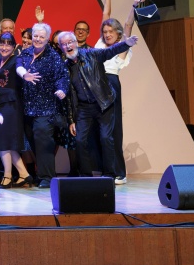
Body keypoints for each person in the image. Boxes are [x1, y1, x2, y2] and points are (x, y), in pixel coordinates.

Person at [58, 30, 139, 183]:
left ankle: (109, 175)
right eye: (64, 44)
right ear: (61, 47)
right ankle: (86, 177)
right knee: (80, 141)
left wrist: (126, 44)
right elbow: (69, 97)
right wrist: (71, 120)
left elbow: (110, 51)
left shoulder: (91, 54)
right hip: (83, 108)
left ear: (76, 43)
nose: (68, 46)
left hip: (103, 104)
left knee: (106, 138)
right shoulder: (65, 67)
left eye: (70, 42)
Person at [98, 0, 147, 184]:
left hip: (110, 84)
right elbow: (105, 15)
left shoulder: (123, 45)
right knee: (100, 133)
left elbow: (128, 24)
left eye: (111, 32)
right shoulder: (101, 43)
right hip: (95, 85)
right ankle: (105, 170)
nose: (107, 34)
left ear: (118, 34)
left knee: (112, 132)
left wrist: (134, 6)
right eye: (105, 31)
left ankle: (119, 172)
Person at [16, 23, 69, 188]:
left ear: (47, 39)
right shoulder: (25, 53)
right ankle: (42, 173)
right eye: (36, 36)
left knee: (43, 141)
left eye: (41, 37)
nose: (38, 39)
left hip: (46, 108)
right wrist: (25, 74)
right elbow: (18, 65)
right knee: (32, 141)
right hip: (27, 107)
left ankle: (47, 177)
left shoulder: (53, 56)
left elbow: (62, 76)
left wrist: (62, 89)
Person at [0, 33, 32, 187]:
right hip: (0, 105)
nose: (4, 47)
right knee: (6, 142)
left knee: (3, 141)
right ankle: (24, 174)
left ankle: (7, 176)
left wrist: (25, 75)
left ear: (14, 47)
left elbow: (21, 69)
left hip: (11, 105)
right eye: (2, 43)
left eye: (8, 44)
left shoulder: (16, 59)